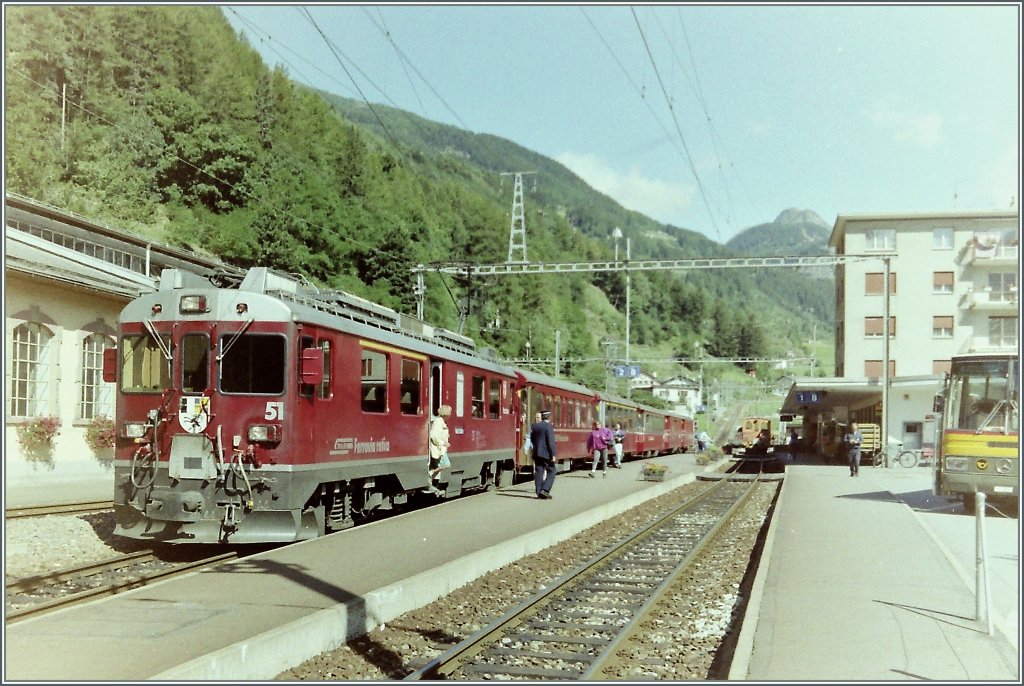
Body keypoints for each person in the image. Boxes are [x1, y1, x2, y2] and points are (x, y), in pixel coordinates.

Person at [530, 409, 557, 499]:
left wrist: (536, 448)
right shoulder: (548, 426)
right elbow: (550, 442)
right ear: (549, 417)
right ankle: (545, 489)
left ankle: (538, 492)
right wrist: (553, 454)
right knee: (552, 471)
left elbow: (532, 439)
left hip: (536, 452)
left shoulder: (535, 426)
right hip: (546, 453)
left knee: (539, 471)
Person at [426, 404, 451, 496]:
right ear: (446, 414)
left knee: (442, 464)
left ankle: (430, 482)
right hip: (438, 448)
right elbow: (433, 435)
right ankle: (430, 473)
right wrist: (443, 443)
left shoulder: (441, 422)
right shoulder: (438, 422)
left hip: (441, 449)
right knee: (446, 464)